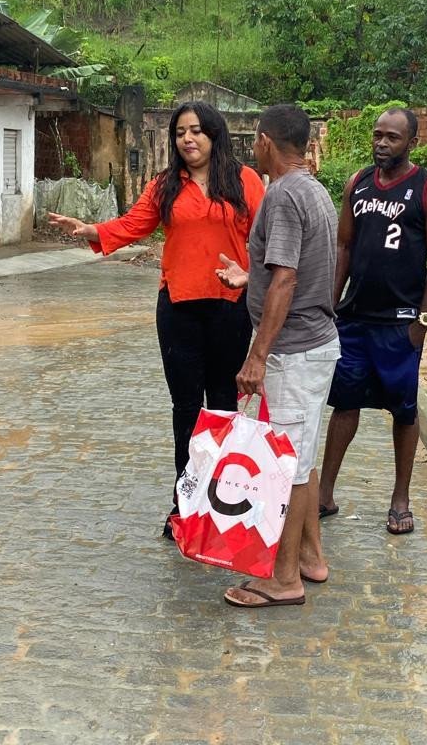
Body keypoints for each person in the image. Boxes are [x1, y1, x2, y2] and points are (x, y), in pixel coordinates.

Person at [48, 101, 264, 539]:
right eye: (181, 132)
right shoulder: (166, 185)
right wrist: (91, 230)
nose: (189, 139)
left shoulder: (244, 181)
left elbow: (265, 236)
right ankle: (184, 503)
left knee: (222, 404)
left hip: (229, 306)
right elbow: (133, 224)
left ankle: (219, 504)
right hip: (179, 310)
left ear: (215, 135)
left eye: (198, 131)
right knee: (186, 408)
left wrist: (259, 279)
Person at [215, 104, 340, 608]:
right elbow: (293, 270)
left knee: (287, 466)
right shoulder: (313, 188)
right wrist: (254, 280)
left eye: (254, 140)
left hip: (293, 352)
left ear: (266, 141)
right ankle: (310, 557)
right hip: (314, 345)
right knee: (303, 461)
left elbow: (287, 276)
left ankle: (283, 579)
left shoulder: (284, 195)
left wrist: (257, 355)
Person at [317, 108, 427, 534]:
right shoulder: (357, 184)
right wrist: (330, 304)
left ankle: (400, 498)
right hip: (355, 318)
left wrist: (422, 323)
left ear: (411, 141)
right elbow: (343, 247)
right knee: (345, 402)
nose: (382, 143)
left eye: (392, 137)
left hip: (401, 323)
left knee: (403, 410)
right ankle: (323, 493)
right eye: (378, 135)